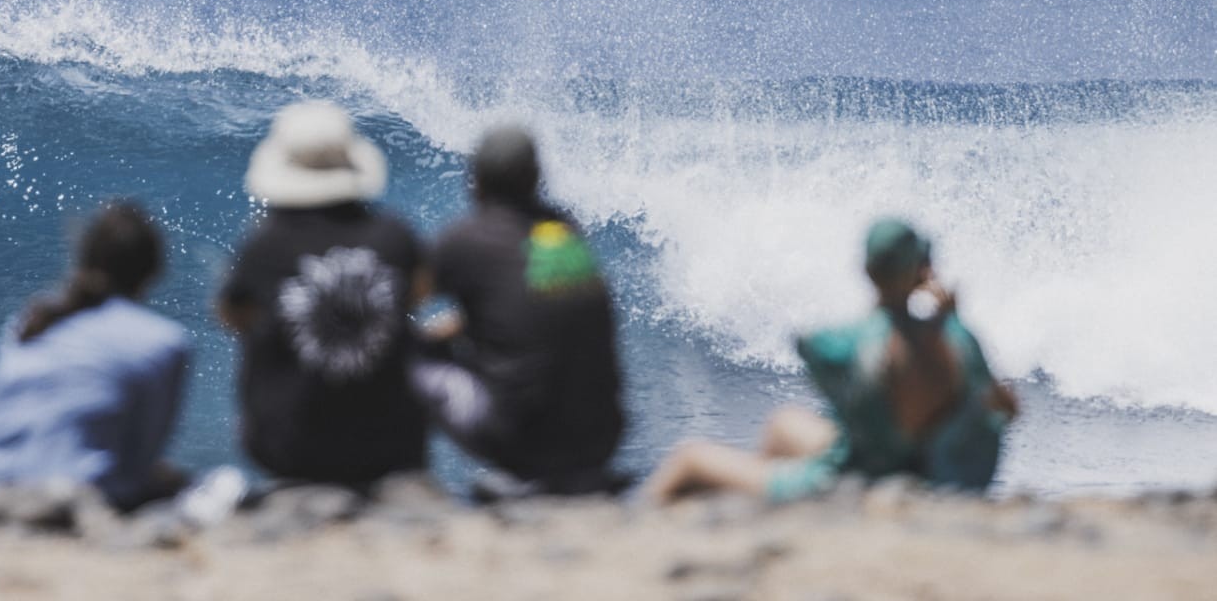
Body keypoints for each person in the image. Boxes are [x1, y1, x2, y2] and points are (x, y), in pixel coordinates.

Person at [644, 218, 1018, 505]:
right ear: (925, 269)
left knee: (690, 459)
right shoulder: (958, 338)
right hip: (946, 476)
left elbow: (812, 351)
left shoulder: (850, 345)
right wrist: (949, 316)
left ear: (867, 272)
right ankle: (769, 524)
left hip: (863, 481)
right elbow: (1007, 409)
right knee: (783, 425)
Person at [0, 202, 190, 514]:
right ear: (155, 269)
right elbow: (138, 458)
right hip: (62, 492)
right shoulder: (164, 340)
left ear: (85, 260)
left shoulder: (31, 323)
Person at [216, 100, 428, 487]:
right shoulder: (394, 236)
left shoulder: (265, 245)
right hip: (393, 444)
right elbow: (418, 295)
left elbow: (231, 316)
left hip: (291, 449)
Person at [413, 125, 626, 497]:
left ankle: (393, 476)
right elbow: (530, 312)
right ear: (535, 179)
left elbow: (395, 306)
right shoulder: (563, 231)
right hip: (602, 439)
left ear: (475, 182)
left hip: (521, 442)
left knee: (399, 359)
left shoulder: (467, 240)